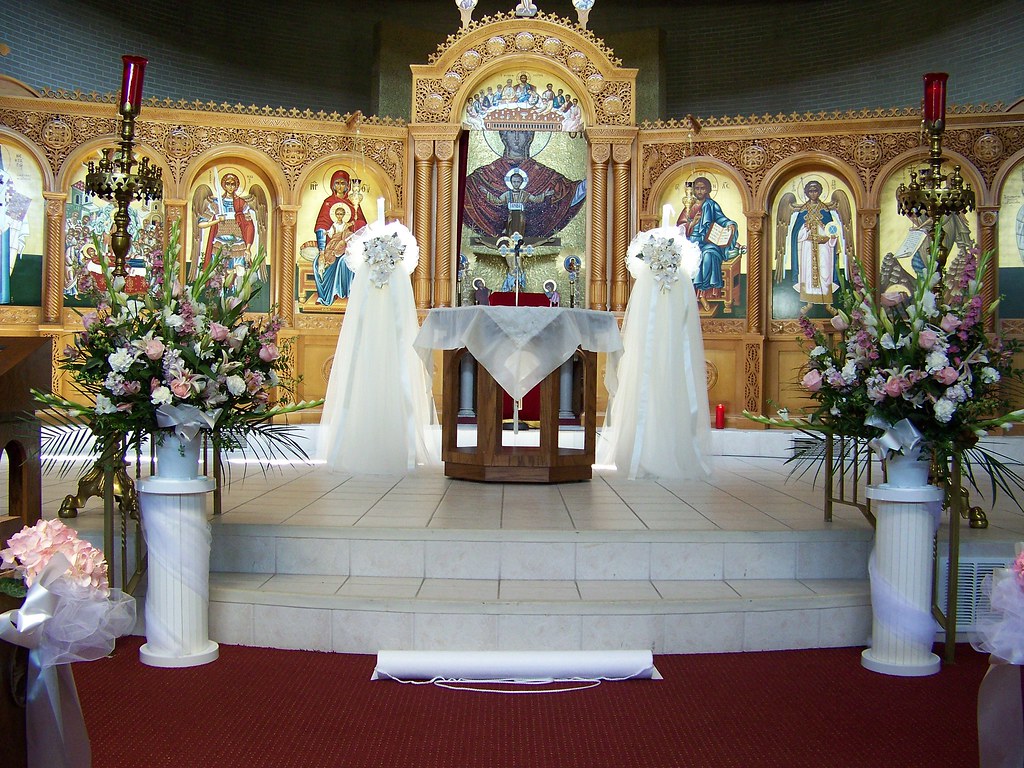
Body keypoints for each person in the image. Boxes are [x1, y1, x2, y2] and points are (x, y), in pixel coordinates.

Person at [317, 220, 438, 474]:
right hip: (370, 337)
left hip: (391, 342)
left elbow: (401, 317)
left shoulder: (397, 273)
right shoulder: (373, 272)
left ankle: (395, 443)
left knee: (394, 375)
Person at [462, 129, 586, 245]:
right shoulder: (484, 175)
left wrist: (591, 182)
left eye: (521, 132)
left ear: (530, 137)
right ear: (503, 136)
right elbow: (463, 191)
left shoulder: (546, 175)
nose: (516, 138)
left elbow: (569, 193)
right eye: (511, 132)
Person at [676, 176, 737, 311]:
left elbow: (722, 219)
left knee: (708, 254)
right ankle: (692, 295)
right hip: (691, 241)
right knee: (693, 256)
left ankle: (702, 293)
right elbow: (680, 227)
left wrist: (730, 225)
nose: (699, 191)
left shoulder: (712, 205)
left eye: (702, 188)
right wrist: (692, 223)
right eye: (697, 188)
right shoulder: (689, 205)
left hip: (709, 241)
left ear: (708, 189)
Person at [783, 180, 846, 306]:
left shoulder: (825, 210)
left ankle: (827, 303)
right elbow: (796, 235)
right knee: (807, 274)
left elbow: (832, 230)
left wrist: (830, 238)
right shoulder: (803, 211)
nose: (813, 194)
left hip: (824, 248)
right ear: (806, 193)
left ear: (820, 192)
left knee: (825, 272)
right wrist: (805, 230)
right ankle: (809, 303)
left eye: (815, 191)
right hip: (807, 247)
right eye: (810, 191)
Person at [313, 169, 367, 305]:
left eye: (343, 183)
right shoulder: (328, 203)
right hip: (331, 244)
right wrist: (321, 250)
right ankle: (326, 297)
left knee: (346, 261)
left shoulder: (353, 203)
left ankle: (346, 294)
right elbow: (321, 226)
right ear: (332, 185)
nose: (340, 186)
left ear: (348, 185)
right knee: (317, 264)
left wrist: (355, 222)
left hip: (348, 244)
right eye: (337, 183)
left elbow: (362, 226)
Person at [195, 172, 257, 273]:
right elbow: (201, 223)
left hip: (238, 244)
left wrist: (248, 248)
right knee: (220, 275)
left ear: (236, 186)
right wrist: (217, 220)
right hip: (220, 243)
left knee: (240, 273)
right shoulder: (216, 204)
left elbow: (249, 226)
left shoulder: (242, 204)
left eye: (233, 184)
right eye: (228, 183)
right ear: (224, 185)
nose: (230, 186)